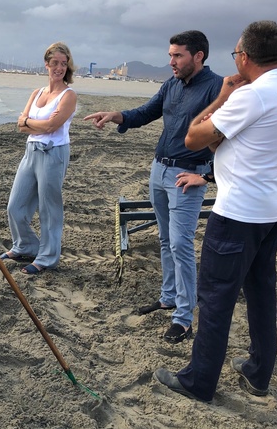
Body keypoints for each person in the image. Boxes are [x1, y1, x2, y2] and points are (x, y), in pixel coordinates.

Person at [154, 20, 277, 402]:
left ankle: (199, 381)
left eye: (236, 53)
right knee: (260, 289)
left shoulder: (251, 96)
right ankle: (258, 371)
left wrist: (222, 95)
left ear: (245, 56)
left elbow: (193, 135)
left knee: (217, 295)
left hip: (241, 211)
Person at [84, 30, 223, 343]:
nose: (171, 61)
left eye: (178, 56)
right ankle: (169, 296)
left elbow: (233, 137)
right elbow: (146, 112)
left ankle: (184, 319)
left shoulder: (218, 89)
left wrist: (209, 176)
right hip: (159, 170)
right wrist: (115, 115)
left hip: (188, 176)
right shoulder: (171, 84)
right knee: (164, 239)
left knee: (180, 244)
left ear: (198, 56)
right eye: (170, 55)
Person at [1, 42, 77, 275]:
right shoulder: (37, 93)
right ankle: (26, 245)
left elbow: (51, 126)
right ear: (46, 64)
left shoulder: (68, 95)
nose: (59, 68)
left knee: (49, 208)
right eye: (55, 63)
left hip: (53, 154)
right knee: (15, 206)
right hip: (31, 152)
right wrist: (34, 125)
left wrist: (29, 122)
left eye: (64, 64)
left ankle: (47, 257)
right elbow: (21, 126)